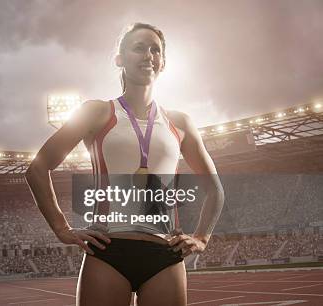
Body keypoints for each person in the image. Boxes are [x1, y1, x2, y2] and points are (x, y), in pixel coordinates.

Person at [25, 22, 224, 306]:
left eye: (156, 49)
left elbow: (215, 189)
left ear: (163, 62)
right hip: (108, 252)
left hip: (164, 255)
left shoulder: (180, 123)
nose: (149, 55)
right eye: (139, 47)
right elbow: (37, 168)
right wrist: (62, 228)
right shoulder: (96, 112)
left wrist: (202, 237)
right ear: (119, 59)